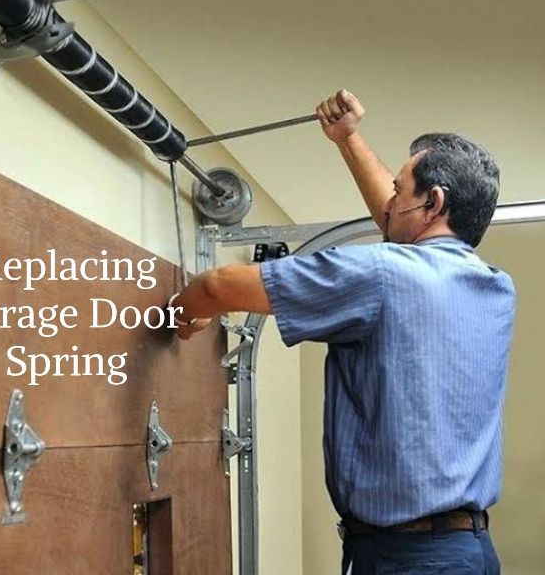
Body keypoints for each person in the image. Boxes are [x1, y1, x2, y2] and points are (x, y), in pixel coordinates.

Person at [167, 90, 515, 574]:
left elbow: (220, 283)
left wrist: (183, 316)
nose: (390, 202)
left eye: (400, 189)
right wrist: (347, 140)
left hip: (411, 559)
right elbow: (400, 228)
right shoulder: (495, 287)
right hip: (466, 552)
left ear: (433, 203)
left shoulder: (383, 275)